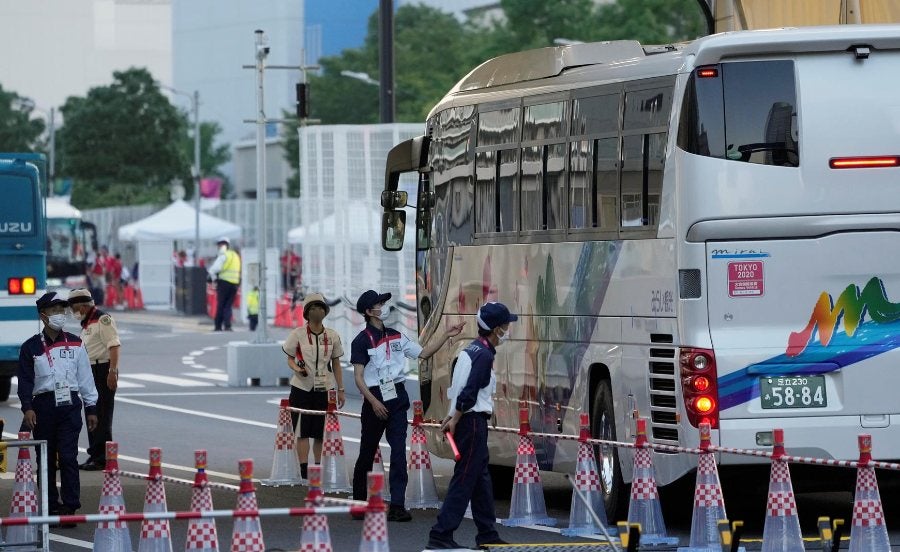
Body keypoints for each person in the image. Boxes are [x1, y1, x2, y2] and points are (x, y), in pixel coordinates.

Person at [350, 289, 464, 522]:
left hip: (397, 397)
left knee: (400, 451)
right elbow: (359, 378)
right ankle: (359, 503)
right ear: (368, 311)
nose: (384, 307)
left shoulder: (397, 335)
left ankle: (398, 505)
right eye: (379, 304)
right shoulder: (361, 341)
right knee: (366, 452)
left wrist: (445, 335)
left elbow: (424, 353)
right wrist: (373, 402)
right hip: (375, 398)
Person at [427, 302, 516, 550]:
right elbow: (470, 391)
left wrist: (451, 415)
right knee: (465, 478)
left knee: (480, 479)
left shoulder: (471, 349)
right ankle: (441, 534)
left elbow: (458, 388)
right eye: (506, 325)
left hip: (467, 419)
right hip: (472, 421)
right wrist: (455, 419)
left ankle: (487, 532)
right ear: (496, 329)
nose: (509, 329)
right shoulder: (485, 355)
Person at [17, 291, 98, 523]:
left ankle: (70, 506)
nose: (60, 315)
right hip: (42, 407)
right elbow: (25, 381)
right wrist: (27, 407)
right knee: (45, 459)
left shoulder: (75, 343)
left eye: (62, 310)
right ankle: (50, 505)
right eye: (54, 311)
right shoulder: (30, 347)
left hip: (70, 405)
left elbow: (86, 379)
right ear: (43, 316)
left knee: (69, 457)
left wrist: (91, 408)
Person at [282, 293, 345, 480]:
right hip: (301, 387)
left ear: (325, 312)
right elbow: (290, 358)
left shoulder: (332, 335)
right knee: (301, 430)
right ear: (306, 313)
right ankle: (303, 468)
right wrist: (297, 369)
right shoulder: (298, 334)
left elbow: (336, 364)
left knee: (319, 431)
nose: (317, 311)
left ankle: (318, 466)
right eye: (313, 308)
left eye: (320, 308)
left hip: (324, 387)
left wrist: (340, 390)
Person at [67, 288, 121, 471]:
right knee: (92, 412)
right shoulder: (87, 323)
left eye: (74, 308)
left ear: (82, 306)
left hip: (103, 369)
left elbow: (114, 346)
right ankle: (94, 454)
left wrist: (112, 372)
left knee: (102, 414)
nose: (73, 312)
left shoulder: (103, 320)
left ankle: (102, 458)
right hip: (90, 371)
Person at [207, 236, 241, 331]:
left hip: (224, 283)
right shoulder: (235, 255)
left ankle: (218, 326)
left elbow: (213, 269)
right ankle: (227, 325)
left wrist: (213, 279)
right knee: (228, 305)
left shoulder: (224, 255)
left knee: (221, 304)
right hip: (234, 284)